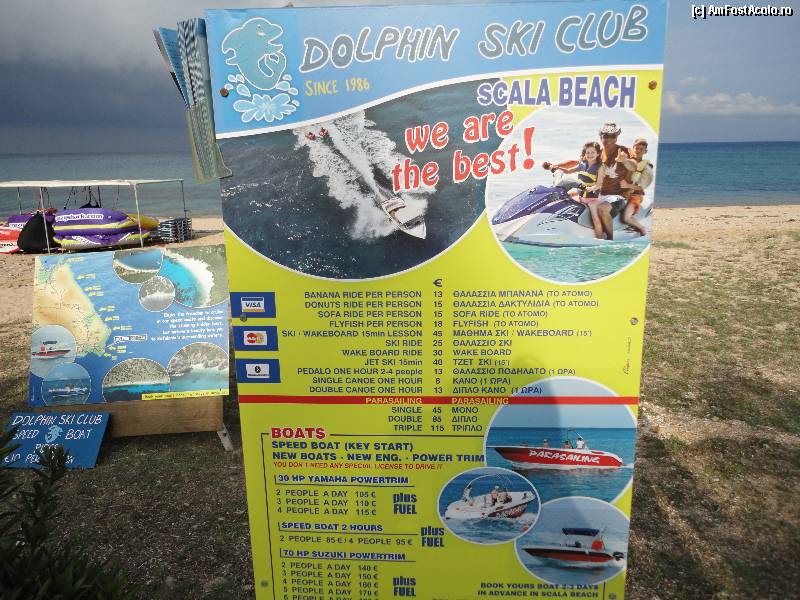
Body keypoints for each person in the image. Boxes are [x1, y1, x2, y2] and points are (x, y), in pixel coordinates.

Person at [585, 123, 629, 240]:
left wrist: (625, 161)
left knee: (602, 209)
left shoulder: (623, 151)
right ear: (601, 137)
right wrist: (557, 166)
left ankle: (610, 239)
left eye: (612, 136)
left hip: (618, 196)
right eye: (606, 136)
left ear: (616, 137)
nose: (609, 139)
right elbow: (579, 162)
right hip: (599, 195)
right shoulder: (597, 153)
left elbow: (634, 165)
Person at [618, 137, 651, 236]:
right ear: (633, 149)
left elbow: (641, 187)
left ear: (645, 151)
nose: (638, 151)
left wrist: (628, 186)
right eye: (636, 148)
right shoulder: (627, 161)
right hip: (622, 194)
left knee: (626, 218)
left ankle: (642, 229)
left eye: (641, 149)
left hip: (635, 196)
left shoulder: (645, 167)